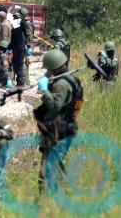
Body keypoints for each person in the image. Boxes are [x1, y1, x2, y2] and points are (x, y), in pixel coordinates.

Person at [33, 49, 84, 192]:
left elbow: (55, 106)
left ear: (53, 68)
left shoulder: (61, 84)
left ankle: (47, 201)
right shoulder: (67, 79)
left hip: (58, 132)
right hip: (62, 129)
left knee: (46, 171)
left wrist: (45, 90)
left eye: (48, 69)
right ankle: (66, 191)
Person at [9, 9, 27, 86]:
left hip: (19, 49)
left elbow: (14, 40)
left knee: (19, 65)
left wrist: (8, 48)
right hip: (18, 48)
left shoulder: (18, 28)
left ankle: (21, 82)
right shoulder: (19, 28)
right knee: (17, 65)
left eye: (14, 17)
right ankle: (20, 81)